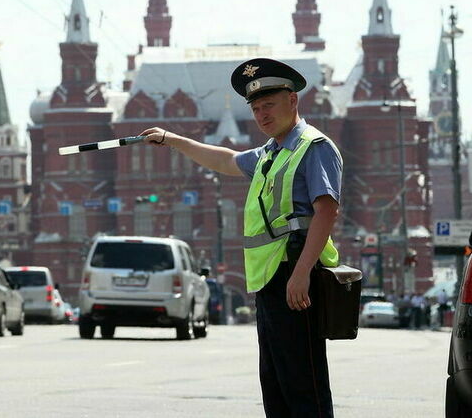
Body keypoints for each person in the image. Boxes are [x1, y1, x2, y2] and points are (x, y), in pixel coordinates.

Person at [140, 57, 341, 417]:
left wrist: (301, 274)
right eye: (256, 108)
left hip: (296, 274)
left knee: (303, 382)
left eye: (269, 105)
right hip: (270, 280)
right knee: (276, 383)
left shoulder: (314, 146)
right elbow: (225, 160)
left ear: (292, 101)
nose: (262, 114)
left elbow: (326, 210)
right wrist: (173, 140)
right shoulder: (270, 154)